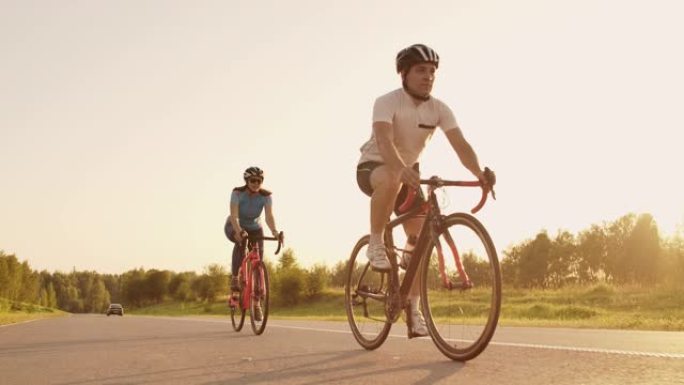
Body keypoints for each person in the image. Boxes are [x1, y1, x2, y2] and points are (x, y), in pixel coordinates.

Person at [356, 43, 493, 337]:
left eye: (432, 71)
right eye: (421, 70)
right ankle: (376, 243)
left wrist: (479, 174)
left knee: (420, 244)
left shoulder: (440, 109)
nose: (428, 76)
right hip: (374, 166)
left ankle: (413, 312)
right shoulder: (387, 101)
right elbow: (383, 140)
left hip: (408, 174)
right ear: (404, 74)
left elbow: (461, 145)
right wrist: (400, 168)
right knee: (392, 177)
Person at [224, 166, 279, 321]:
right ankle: (235, 278)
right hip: (234, 225)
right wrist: (239, 231)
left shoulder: (266, 196)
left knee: (258, 261)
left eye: (259, 181)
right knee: (240, 243)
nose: (256, 183)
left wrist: (275, 232)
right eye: (253, 180)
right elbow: (234, 216)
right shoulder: (237, 193)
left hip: (255, 228)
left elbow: (269, 216)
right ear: (246, 181)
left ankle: (256, 304)